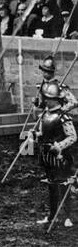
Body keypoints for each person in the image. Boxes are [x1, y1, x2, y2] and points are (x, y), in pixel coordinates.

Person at [35, 81, 76, 228]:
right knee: (51, 186)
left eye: (48, 98)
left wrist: (59, 146)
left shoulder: (63, 117)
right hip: (47, 157)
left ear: (55, 99)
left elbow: (72, 136)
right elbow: (42, 133)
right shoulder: (45, 115)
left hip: (61, 157)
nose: (45, 100)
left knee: (64, 186)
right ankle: (52, 215)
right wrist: (36, 135)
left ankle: (67, 216)